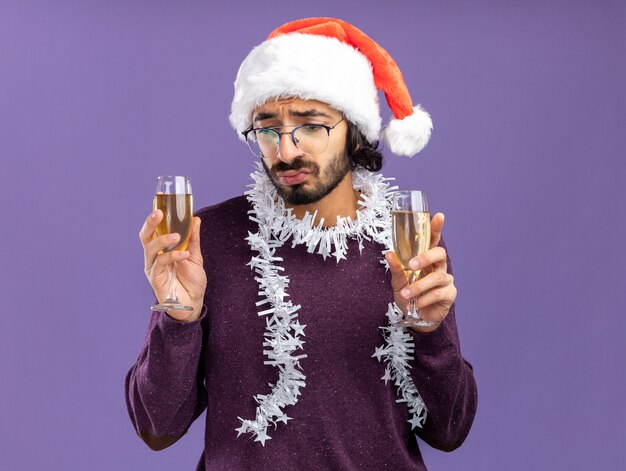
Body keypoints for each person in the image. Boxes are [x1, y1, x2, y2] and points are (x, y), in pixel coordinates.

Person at [125, 17, 477, 471]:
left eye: (311, 126)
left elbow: (449, 431)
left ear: (353, 129)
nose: (286, 151)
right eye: (267, 129)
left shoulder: (409, 238)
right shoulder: (205, 238)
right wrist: (177, 315)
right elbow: (157, 428)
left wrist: (431, 334)